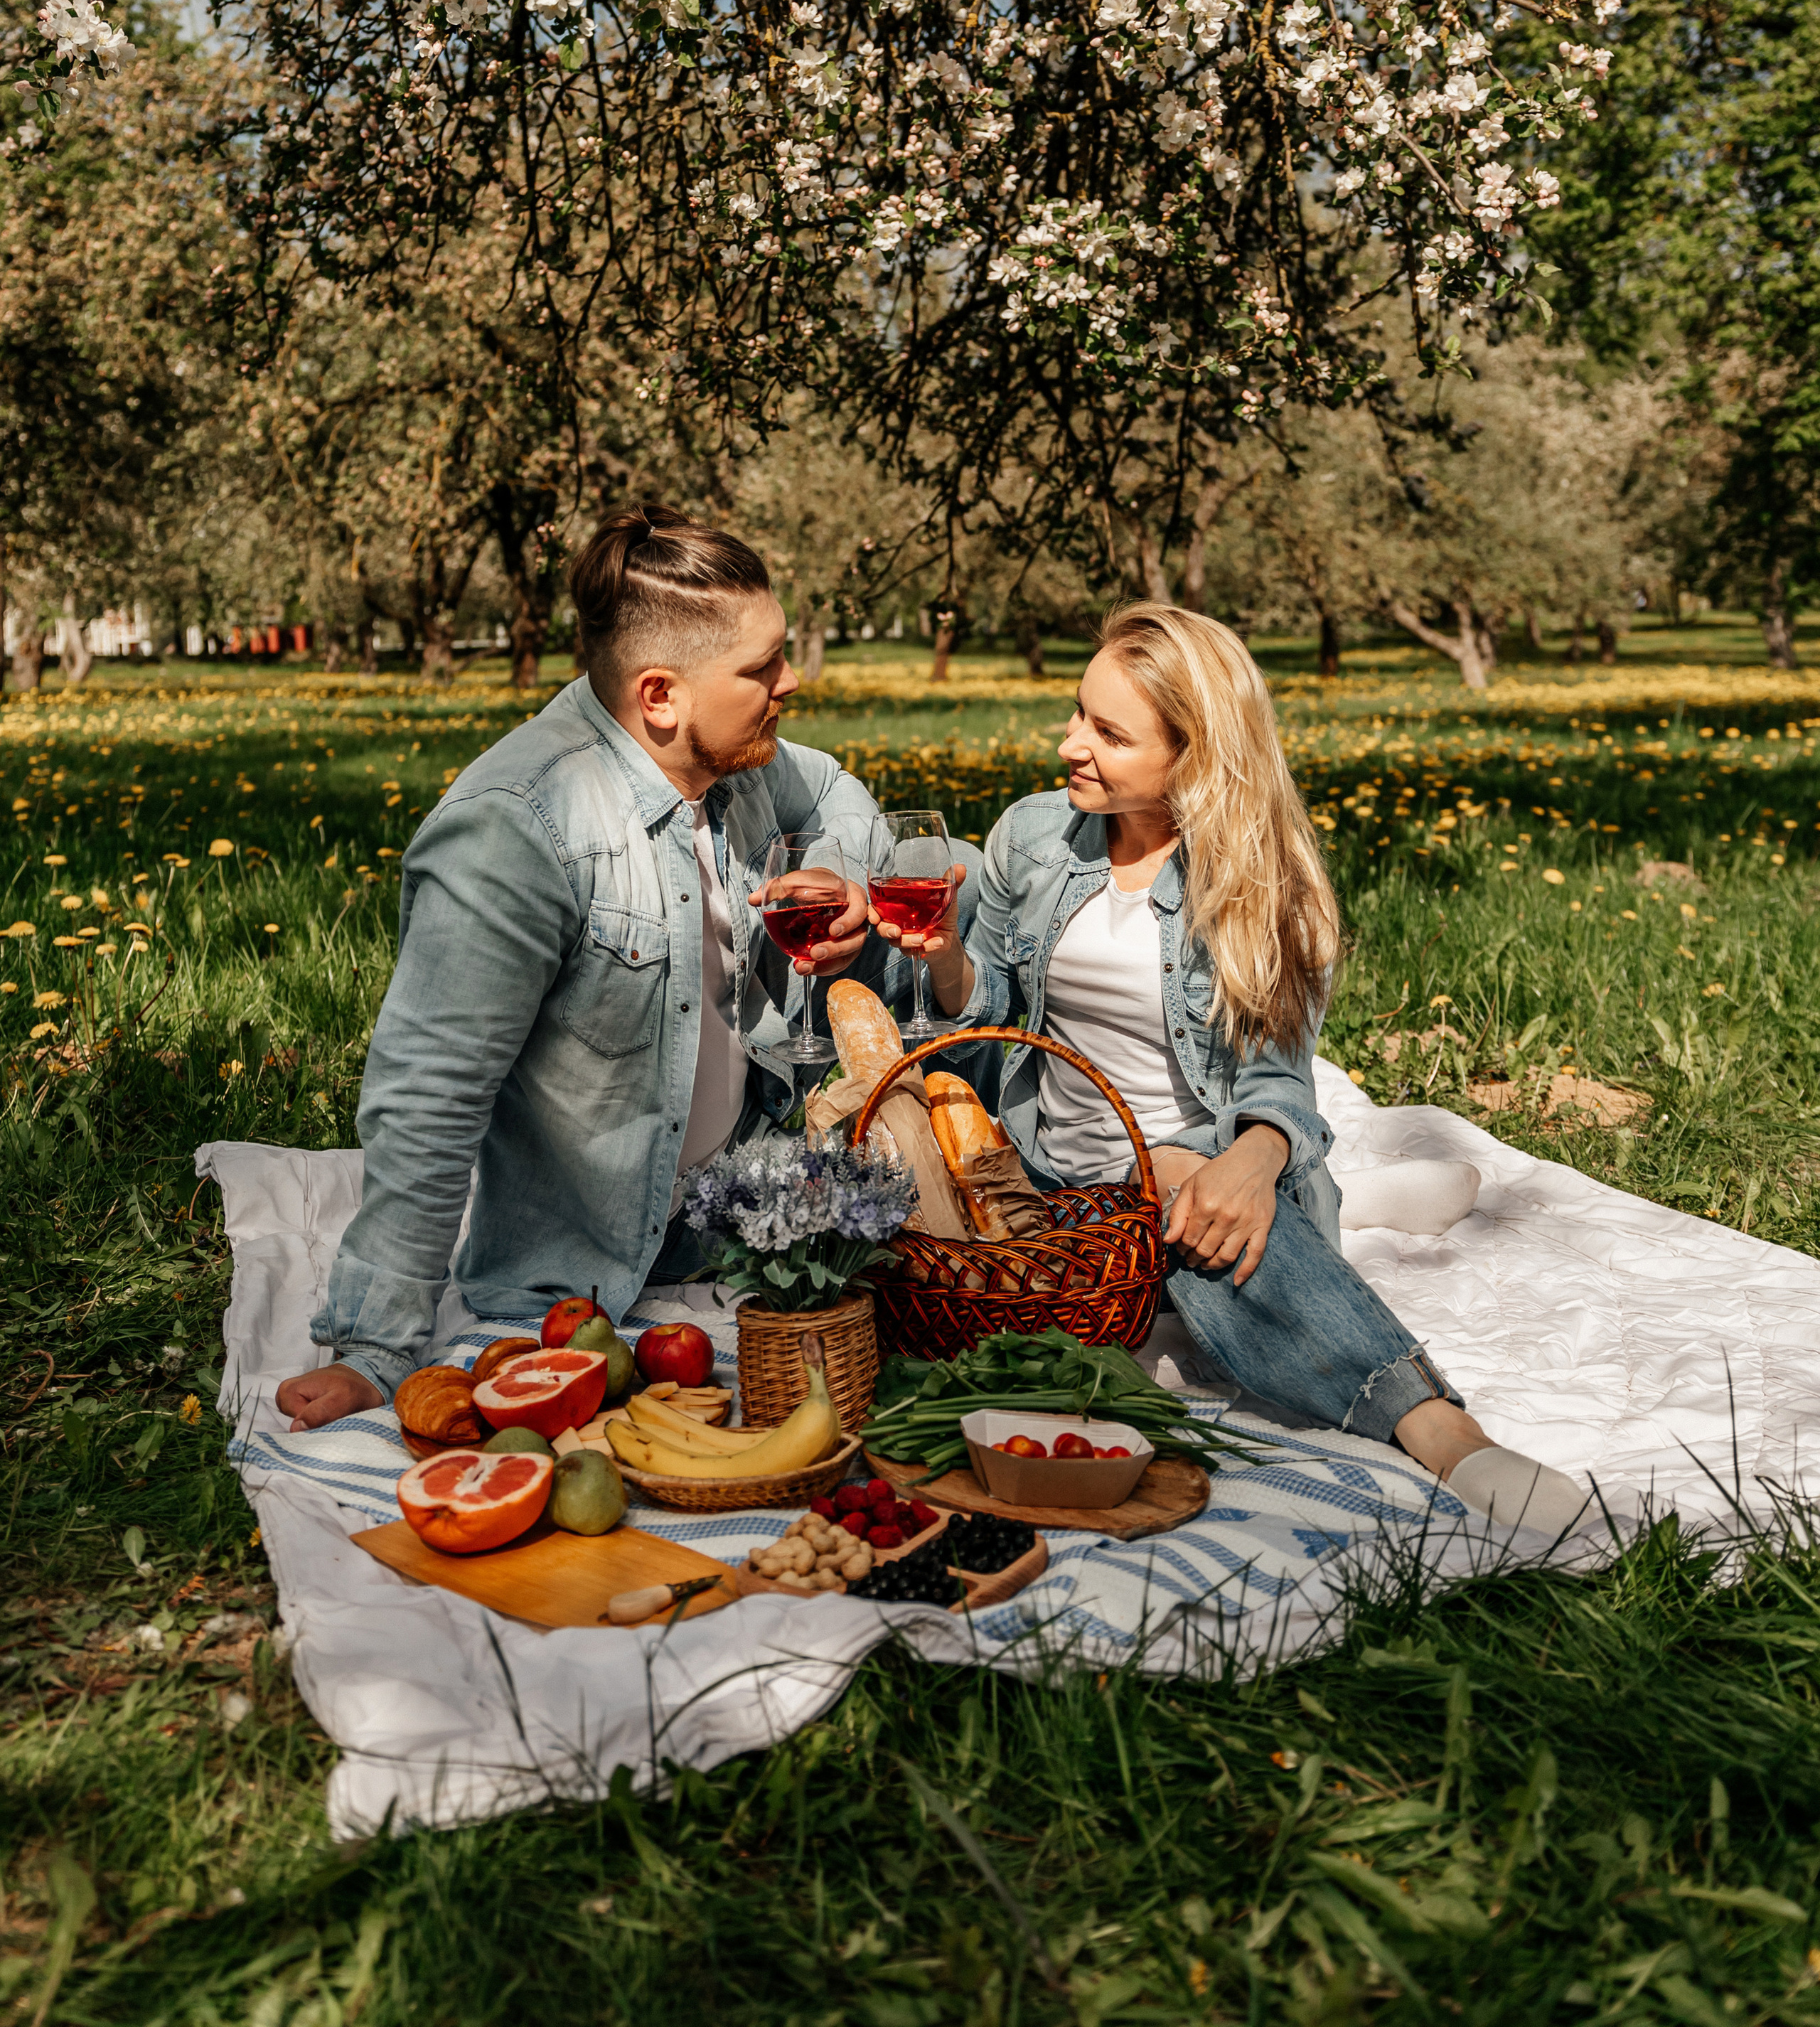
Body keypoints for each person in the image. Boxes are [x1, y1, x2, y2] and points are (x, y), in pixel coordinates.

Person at [878, 601, 1588, 1536]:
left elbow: (1278, 1077)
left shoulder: (1255, 875)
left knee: (1188, 1186)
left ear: (1193, 752)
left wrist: (1256, 1161)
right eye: (1078, 714)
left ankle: (1443, 1432)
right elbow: (988, 1021)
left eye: (1110, 733)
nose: (1070, 744)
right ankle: (1361, 1198)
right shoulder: (1034, 837)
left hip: (1190, 1159)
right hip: (1050, 1175)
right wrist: (940, 957)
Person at [277, 504, 923, 1430]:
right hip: (597, 1267)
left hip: (746, 1207)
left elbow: (834, 791)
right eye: (762, 669)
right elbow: (427, 1096)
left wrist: (849, 878)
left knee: (964, 881)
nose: (790, 683)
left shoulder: (732, 761)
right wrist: (374, 1349)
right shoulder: (516, 830)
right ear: (659, 695)